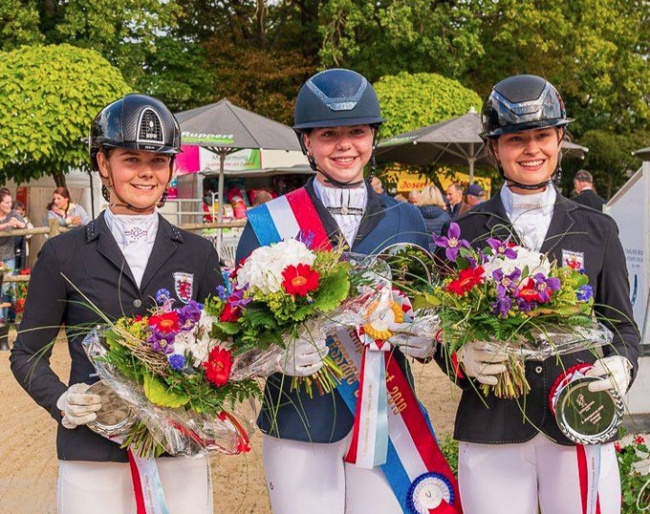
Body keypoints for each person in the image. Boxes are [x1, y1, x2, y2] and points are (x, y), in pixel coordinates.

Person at [435, 74, 640, 514]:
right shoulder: (466, 233)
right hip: (493, 426)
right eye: (516, 139)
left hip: (579, 418)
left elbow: (622, 326)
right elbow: (443, 329)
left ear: (560, 138)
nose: (532, 149)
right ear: (494, 148)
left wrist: (622, 364)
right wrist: (458, 356)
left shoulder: (598, 229)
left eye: (543, 135)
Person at [236, 69, 437, 514]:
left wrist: (427, 337)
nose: (345, 145)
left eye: (357, 132)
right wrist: (275, 354)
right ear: (307, 141)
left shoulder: (408, 220)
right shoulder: (267, 224)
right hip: (298, 420)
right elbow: (238, 332)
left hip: (387, 420)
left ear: (372, 137)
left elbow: (425, 306)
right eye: (329, 134)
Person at [10, 94, 223, 514]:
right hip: (93, 450)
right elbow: (26, 353)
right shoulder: (63, 254)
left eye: (158, 161)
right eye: (131, 159)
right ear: (103, 164)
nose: (146, 173)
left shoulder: (198, 254)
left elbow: (225, 339)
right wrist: (61, 399)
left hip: (179, 447)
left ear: (171, 168)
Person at [0, 190, 27, 324]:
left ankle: (10, 317)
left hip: (8, 256)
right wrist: (6, 225)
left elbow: (25, 226)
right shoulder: (5, 219)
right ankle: (2, 319)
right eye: (6, 202)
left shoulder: (13, 214)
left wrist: (18, 224)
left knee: (8, 288)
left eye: (10, 202)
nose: (10, 205)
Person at [415, 184, 451, 250]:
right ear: (439, 197)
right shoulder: (446, 217)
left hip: (421, 254)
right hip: (439, 255)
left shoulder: (415, 215)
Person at [13, 200, 33, 271]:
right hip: (12, 251)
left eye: (21, 212)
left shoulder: (26, 221)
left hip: (23, 250)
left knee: (21, 269)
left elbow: (29, 234)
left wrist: (24, 223)